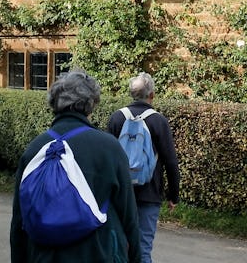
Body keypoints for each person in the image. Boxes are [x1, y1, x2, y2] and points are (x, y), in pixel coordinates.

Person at [10, 70, 141, 263]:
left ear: (54, 102)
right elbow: (129, 216)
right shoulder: (108, 148)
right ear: (91, 104)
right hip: (97, 253)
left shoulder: (34, 149)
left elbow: (19, 222)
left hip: (42, 256)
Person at [106, 72, 180, 263]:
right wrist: (173, 195)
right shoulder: (158, 121)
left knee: (119, 248)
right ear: (152, 95)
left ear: (131, 93)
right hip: (149, 194)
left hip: (121, 194)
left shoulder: (117, 118)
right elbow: (171, 161)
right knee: (143, 249)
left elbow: (108, 159)